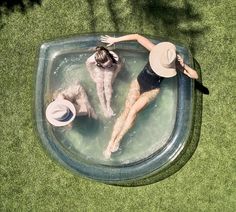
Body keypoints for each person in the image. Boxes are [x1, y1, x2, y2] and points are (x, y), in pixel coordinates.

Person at [101, 34, 199, 158]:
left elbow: (195, 75)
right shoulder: (156, 51)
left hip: (151, 90)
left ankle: (118, 140)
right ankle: (110, 142)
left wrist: (183, 65)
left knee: (133, 112)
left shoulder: (174, 64)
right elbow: (137, 36)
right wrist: (115, 40)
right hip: (138, 83)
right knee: (126, 110)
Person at [86, 46, 122, 118]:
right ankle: (103, 107)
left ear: (109, 57)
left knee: (107, 83)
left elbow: (119, 66)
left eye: (109, 63)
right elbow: (87, 64)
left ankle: (108, 105)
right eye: (106, 65)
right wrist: (92, 75)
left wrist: (115, 74)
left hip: (112, 68)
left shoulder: (114, 57)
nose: (108, 66)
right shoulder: (92, 60)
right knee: (99, 83)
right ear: (98, 63)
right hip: (99, 68)